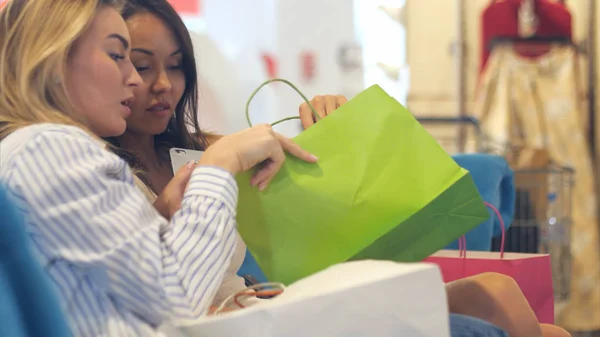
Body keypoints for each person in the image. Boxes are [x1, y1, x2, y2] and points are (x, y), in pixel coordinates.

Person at [108, 1, 569, 337]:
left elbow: (293, 162)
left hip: (269, 300)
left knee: (499, 289)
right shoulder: (105, 177)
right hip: (238, 321)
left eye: (176, 66)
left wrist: (331, 123)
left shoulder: (203, 150)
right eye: (141, 65)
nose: (162, 85)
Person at [0, 0, 317, 335]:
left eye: (176, 66)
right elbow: (175, 294)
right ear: (53, 58)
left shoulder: (40, 150)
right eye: (119, 56)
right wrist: (218, 167)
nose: (135, 79)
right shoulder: (50, 148)